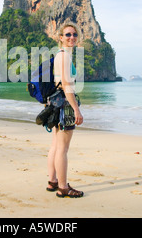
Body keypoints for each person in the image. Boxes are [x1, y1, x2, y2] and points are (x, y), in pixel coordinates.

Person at [46, 24, 84, 198]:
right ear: (60, 37)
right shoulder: (64, 57)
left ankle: (53, 181)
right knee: (62, 148)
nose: (72, 37)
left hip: (56, 102)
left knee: (55, 144)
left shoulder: (60, 56)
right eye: (68, 34)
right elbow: (67, 85)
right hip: (65, 104)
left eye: (74, 34)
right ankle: (63, 187)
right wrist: (76, 109)